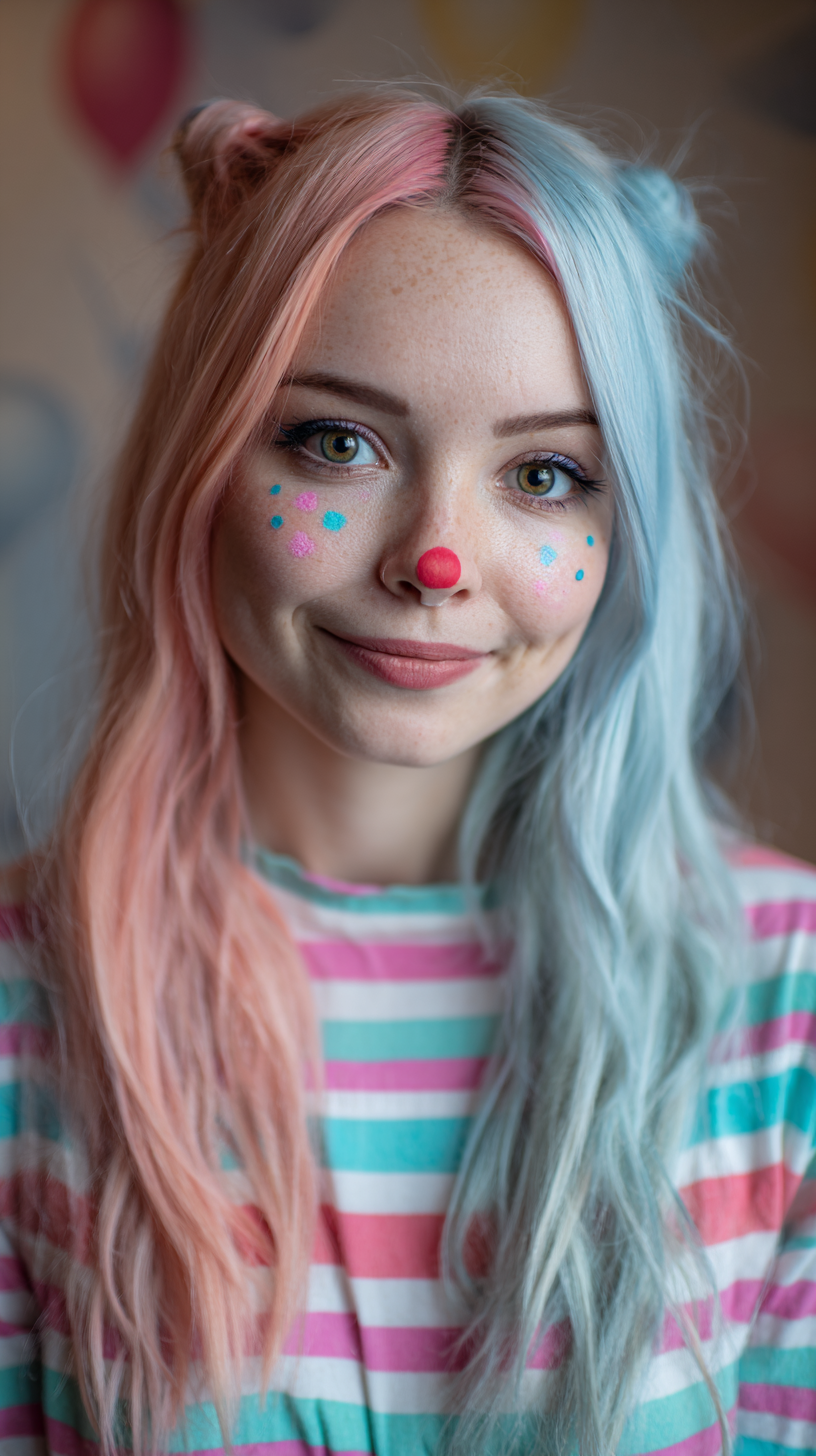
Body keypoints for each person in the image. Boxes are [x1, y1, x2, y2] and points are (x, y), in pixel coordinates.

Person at [0, 88, 814, 1456]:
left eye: (547, 475)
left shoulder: (786, 994)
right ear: (201, 459)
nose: (434, 561)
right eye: (339, 442)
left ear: (633, 528)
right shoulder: (27, 1000)